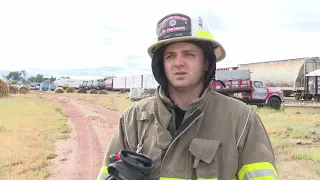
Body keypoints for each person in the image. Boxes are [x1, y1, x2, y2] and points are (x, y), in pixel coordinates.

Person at [97, 13, 279, 180]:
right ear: (161, 64)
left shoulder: (241, 119)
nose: (178, 63)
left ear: (206, 62)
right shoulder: (133, 119)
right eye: (170, 56)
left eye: (189, 54)